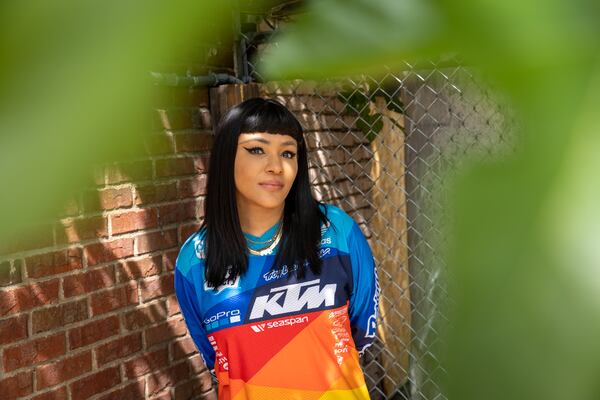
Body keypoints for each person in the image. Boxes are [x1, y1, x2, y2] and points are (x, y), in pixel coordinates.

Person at [174, 97, 379, 399]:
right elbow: (215, 357)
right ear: (225, 158)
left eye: (288, 153)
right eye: (257, 150)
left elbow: (361, 330)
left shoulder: (338, 232)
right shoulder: (194, 261)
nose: (276, 166)